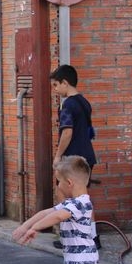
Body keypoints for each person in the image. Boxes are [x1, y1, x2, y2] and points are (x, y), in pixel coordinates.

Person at [49, 64, 100, 249]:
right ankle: (93, 236)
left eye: (56, 85)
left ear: (65, 82)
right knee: (83, 197)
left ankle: (68, 237)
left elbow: (67, 133)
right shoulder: (84, 102)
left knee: (62, 193)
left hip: (72, 158)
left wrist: (57, 156)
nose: (55, 90)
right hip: (87, 154)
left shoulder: (68, 105)